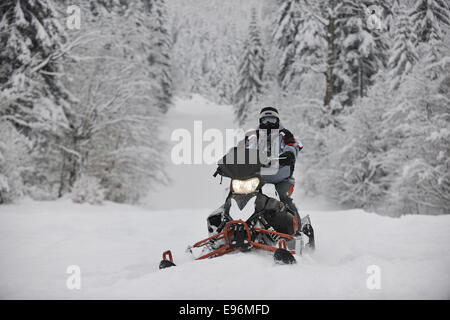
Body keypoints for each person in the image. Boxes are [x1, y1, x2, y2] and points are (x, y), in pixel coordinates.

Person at [245, 106, 303, 220]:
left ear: (278, 120)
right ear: (260, 121)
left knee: (284, 198)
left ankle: (297, 229)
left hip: (281, 177)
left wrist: (289, 154)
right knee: (243, 195)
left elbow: (294, 145)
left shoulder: (285, 134)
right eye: (265, 120)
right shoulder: (254, 136)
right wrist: (233, 158)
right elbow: (245, 149)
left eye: (272, 120)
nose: (268, 123)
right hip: (258, 177)